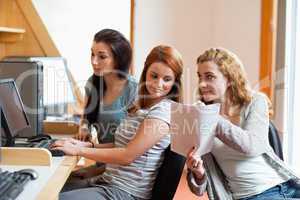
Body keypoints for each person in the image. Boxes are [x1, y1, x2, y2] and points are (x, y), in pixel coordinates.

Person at [51, 45, 184, 200]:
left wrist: (79, 151)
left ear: (175, 82)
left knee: (51, 196)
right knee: (48, 187)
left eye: (167, 79)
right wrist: (88, 145)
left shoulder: (163, 112)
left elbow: (127, 155)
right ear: (145, 73)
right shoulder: (141, 105)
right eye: (154, 76)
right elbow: (122, 144)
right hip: (108, 182)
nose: (158, 84)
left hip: (126, 193)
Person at [186, 47, 300, 200]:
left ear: (229, 78)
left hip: (281, 187)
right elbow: (198, 190)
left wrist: (212, 117)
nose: (201, 84)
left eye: (209, 77)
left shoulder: (255, 102)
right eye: (200, 77)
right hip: (248, 195)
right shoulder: (200, 117)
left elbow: (251, 146)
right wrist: (198, 173)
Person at [71, 29, 138, 180]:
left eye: (102, 56)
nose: (94, 61)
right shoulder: (92, 82)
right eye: (92, 54)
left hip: (120, 173)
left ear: (118, 59)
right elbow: (86, 118)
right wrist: (84, 129)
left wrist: (94, 172)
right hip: (102, 167)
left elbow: (131, 150)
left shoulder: (133, 89)